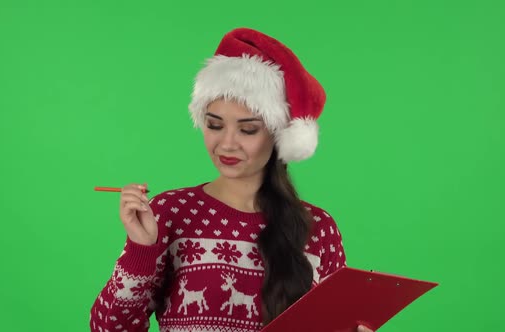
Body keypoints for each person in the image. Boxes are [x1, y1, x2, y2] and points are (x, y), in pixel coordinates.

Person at [89, 28, 374, 332]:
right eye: (214, 125)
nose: (226, 144)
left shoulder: (319, 229)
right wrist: (141, 250)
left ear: (278, 134)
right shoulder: (169, 214)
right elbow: (108, 328)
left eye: (247, 130)